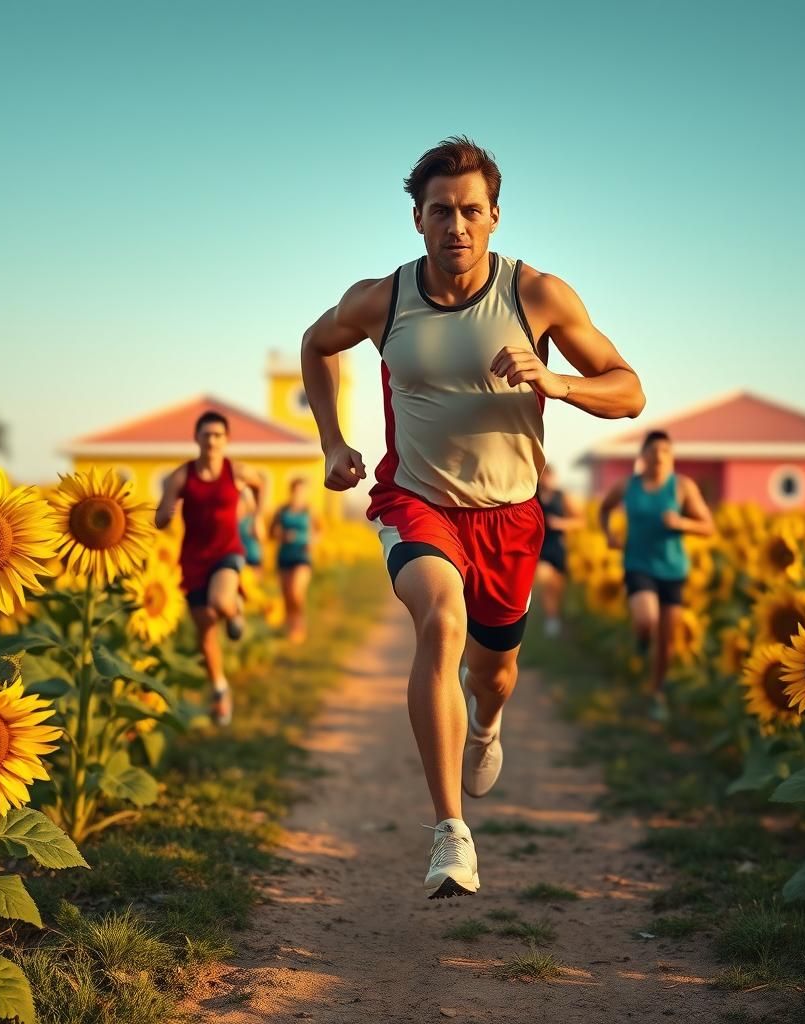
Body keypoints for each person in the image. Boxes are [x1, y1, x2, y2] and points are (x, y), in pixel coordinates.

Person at [300, 136, 645, 899]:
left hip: (510, 518)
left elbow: (629, 391)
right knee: (440, 623)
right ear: (417, 219)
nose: (456, 226)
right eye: (440, 212)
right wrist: (332, 442)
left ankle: (486, 723)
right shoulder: (381, 299)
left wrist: (555, 381)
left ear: (494, 217)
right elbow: (315, 344)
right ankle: (451, 833)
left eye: (470, 212)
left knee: (495, 673)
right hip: (416, 502)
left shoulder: (538, 296)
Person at [155, 410, 267, 727]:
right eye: (207, 434)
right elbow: (161, 519)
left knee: (220, 602)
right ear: (197, 438)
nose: (212, 440)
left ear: (226, 440)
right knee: (205, 632)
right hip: (192, 559)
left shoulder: (236, 471)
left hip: (228, 552)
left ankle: (234, 610)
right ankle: (220, 689)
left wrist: (258, 515)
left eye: (218, 435)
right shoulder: (182, 476)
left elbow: (261, 487)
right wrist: (166, 510)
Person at [598, 430, 714, 719]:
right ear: (643, 456)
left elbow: (708, 526)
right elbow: (604, 509)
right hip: (637, 564)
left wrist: (682, 523)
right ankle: (640, 639)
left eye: (665, 451)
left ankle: (657, 692)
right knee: (646, 619)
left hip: (673, 570)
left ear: (671, 457)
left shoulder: (682, 487)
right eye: (653, 451)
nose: (659, 456)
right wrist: (609, 534)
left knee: (667, 641)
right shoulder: (628, 486)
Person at [535, 465, 585, 637]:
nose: (546, 480)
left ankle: (554, 617)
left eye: (548, 476)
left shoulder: (562, 497)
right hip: (541, 549)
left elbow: (580, 521)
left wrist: (560, 523)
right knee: (544, 579)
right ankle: (551, 619)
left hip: (558, 547)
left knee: (556, 587)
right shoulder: (534, 497)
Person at [271, 476, 317, 643]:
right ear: (291, 491)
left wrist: (313, 541)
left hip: (302, 556)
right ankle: (290, 625)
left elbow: (320, 530)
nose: (299, 494)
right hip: (284, 556)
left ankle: (298, 626)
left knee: (296, 592)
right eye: (297, 491)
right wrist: (282, 535)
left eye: (302, 491)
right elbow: (271, 532)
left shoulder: (310, 510)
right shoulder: (281, 510)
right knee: (286, 595)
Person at [238, 486, 265, 581]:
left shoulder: (252, 519)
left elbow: (261, 538)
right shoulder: (232, 520)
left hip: (252, 558)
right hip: (238, 559)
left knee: (251, 589)